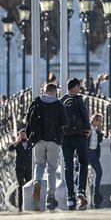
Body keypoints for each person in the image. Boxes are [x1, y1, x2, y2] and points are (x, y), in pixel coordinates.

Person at [26, 83, 67, 211]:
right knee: (52, 169)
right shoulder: (58, 104)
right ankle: (50, 196)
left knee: (39, 165)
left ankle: (37, 182)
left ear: (44, 90)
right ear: (54, 92)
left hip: (38, 140)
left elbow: (28, 119)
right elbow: (65, 122)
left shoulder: (37, 101)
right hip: (53, 141)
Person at [60, 78, 91, 210]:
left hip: (65, 138)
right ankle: (81, 190)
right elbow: (84, 113)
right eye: (79, 87)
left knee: (68, 166)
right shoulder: (78, 99)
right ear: (76, 87)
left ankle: (70, 198)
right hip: (79, 136)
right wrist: (88, 128)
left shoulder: (61, 100)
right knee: (83, 163)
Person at [8, 129, 32, 211]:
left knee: (29, 185)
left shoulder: (30, 144)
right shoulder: (17, 144)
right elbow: (10, 148)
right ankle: (20, 207)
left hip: (28, 169)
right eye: (21, 135)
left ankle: (30, 204)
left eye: (24, 135)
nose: (23, 136)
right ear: (19, 136)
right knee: (21, 186)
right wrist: (17, 141)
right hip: (19, 169)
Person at [87, 114, 104, 208]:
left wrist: (100, 130)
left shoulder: (97, 130)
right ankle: (76, 186)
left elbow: (100, 140)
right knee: (83, 171)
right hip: (87, 152)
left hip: (94, 154)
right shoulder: (88, 127)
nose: (100, 123)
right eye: (99, 121)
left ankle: (96, 192)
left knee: (99, 171)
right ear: (95, 120)